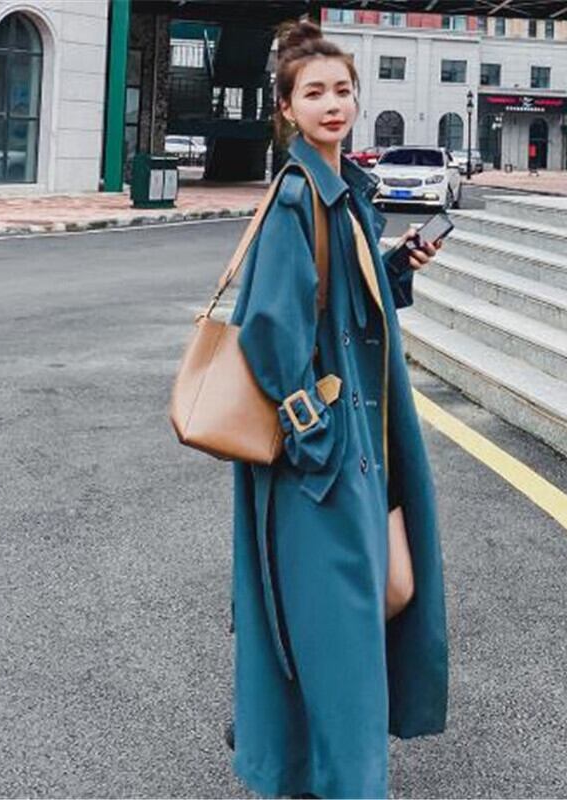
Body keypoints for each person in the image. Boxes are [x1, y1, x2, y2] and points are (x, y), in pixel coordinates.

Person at [227, 19, 450, 800]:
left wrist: (398, 267)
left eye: (343, 90)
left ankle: (294, 745)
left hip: (362, 443)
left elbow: (347, 303)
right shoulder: (298, 198)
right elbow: (269, 331)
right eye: (314, 92)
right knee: (344, 626)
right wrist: (314, 443)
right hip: (325, 458)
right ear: (286, 108)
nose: (333, 103)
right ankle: (342, 780)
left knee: (388, 594)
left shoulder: (344, 193)